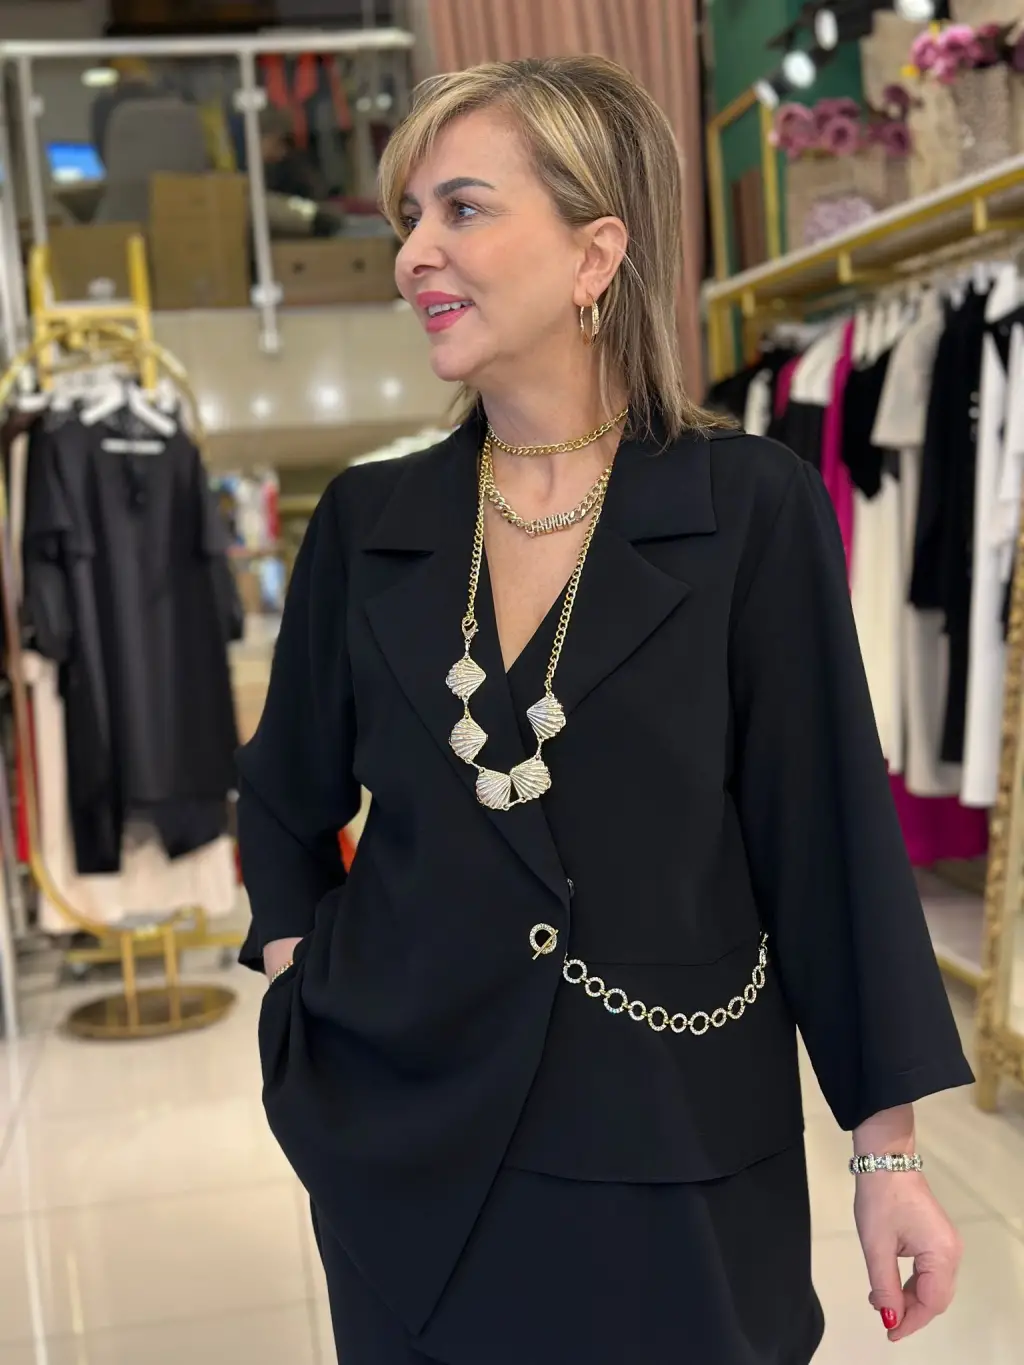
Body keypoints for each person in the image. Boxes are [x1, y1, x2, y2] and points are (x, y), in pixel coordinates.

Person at [238, 57, 973, 1365]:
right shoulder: (368, 524)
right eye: (408, 216)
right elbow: (283, 798)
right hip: (403, 1151)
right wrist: (307, 998)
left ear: (596, 253)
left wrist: (887, 1155)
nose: (414, 252)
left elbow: (827, 848)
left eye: (463, 208)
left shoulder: (748, 509)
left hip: (669, 1143)